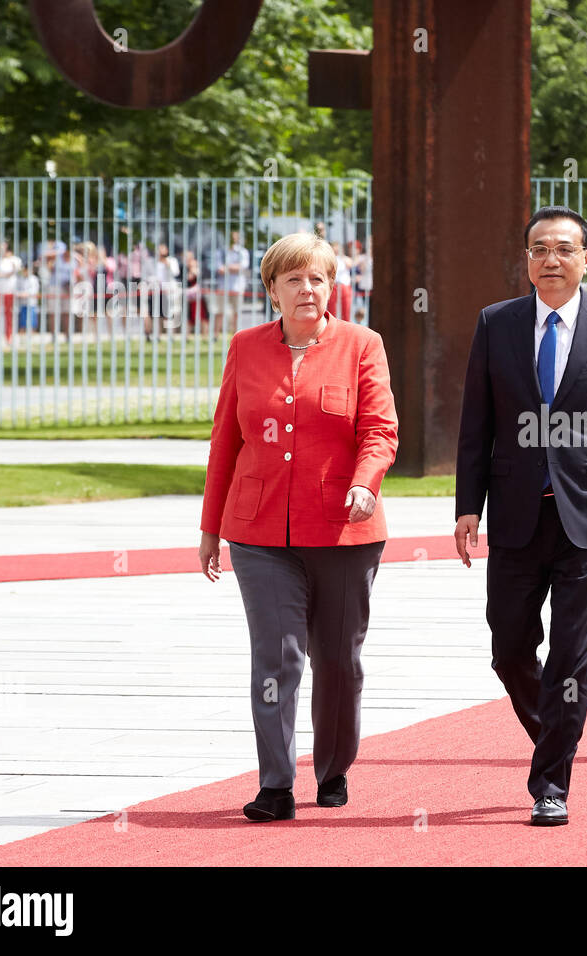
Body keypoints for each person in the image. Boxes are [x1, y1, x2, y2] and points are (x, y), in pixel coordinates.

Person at [454, 205, 587, 826]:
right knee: (509, 646)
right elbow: (475, 425)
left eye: (564, 249)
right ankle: (556, 735)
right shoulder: (497, 324)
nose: (551, 260)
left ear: (586, 259)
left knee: (573, 654)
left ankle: (551, 782)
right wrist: (467, 506)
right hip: (514, 515)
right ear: (527, 259)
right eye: (540, 249)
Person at [198, 232, 399, 822]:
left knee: (337, 659)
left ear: (332, 285)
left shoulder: (362, 344)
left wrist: (365, 480)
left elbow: (379, 430)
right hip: (259, 533)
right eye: (294, 279)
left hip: (343, 529)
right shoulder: (245, 348)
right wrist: (211, 527)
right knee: (277, 657)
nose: (307, 289)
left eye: (317, 278)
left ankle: (333, 767)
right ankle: (275, 783)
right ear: (272, 291)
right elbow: (224, 442)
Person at [216, 230, 250, 334]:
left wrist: (227, 268)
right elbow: (219, 269)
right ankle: (215, 335)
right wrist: (233, 267)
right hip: (223, 287)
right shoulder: (221, 252)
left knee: (236, 313)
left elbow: (242, 267)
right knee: (219, 312)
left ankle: (235, 334)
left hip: (237, 287)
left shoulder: (242, 252)